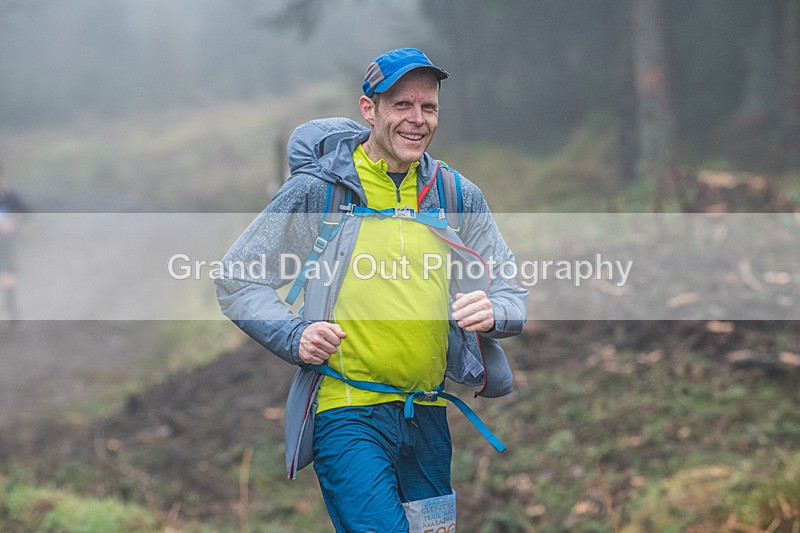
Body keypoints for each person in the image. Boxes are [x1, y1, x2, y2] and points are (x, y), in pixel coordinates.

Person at [216, 48, 527, 532]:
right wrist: (294, 334)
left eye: (429, 108)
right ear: (370, 109)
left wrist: (496, 309)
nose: (417, 120)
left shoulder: (454, 194)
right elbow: (237, 276)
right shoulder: (321, 191)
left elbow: (509, 286)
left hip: (427, 413)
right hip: (348, 412)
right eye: (402, 105)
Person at [0, 163, 29, 321]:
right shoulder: (8, 194)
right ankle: (11, 308)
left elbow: (26, 212)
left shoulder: (8, 195)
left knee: (8, 272)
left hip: (4, 241)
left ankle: (11, 308)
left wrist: (14, 224)